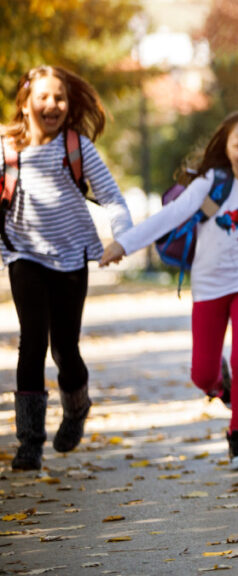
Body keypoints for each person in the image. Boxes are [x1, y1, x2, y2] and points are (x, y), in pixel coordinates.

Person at [99, 109, 238, 470]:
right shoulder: (211, 183)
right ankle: (222, 388)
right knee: (202, 375)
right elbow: (170, 216)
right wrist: (125, 244)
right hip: (209, 286)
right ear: (226, 148)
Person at [2, 66, 133, 472]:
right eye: (42, 97)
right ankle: (30, 443)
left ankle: (76, 409)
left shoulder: (76, 147)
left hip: (72, 256)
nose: (52, 105)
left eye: (59, 97)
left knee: (65, 347)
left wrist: (120, 238)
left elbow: (112, 196)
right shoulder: (7, 149)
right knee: (32, 342)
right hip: (23, 253)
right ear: (25, 104)